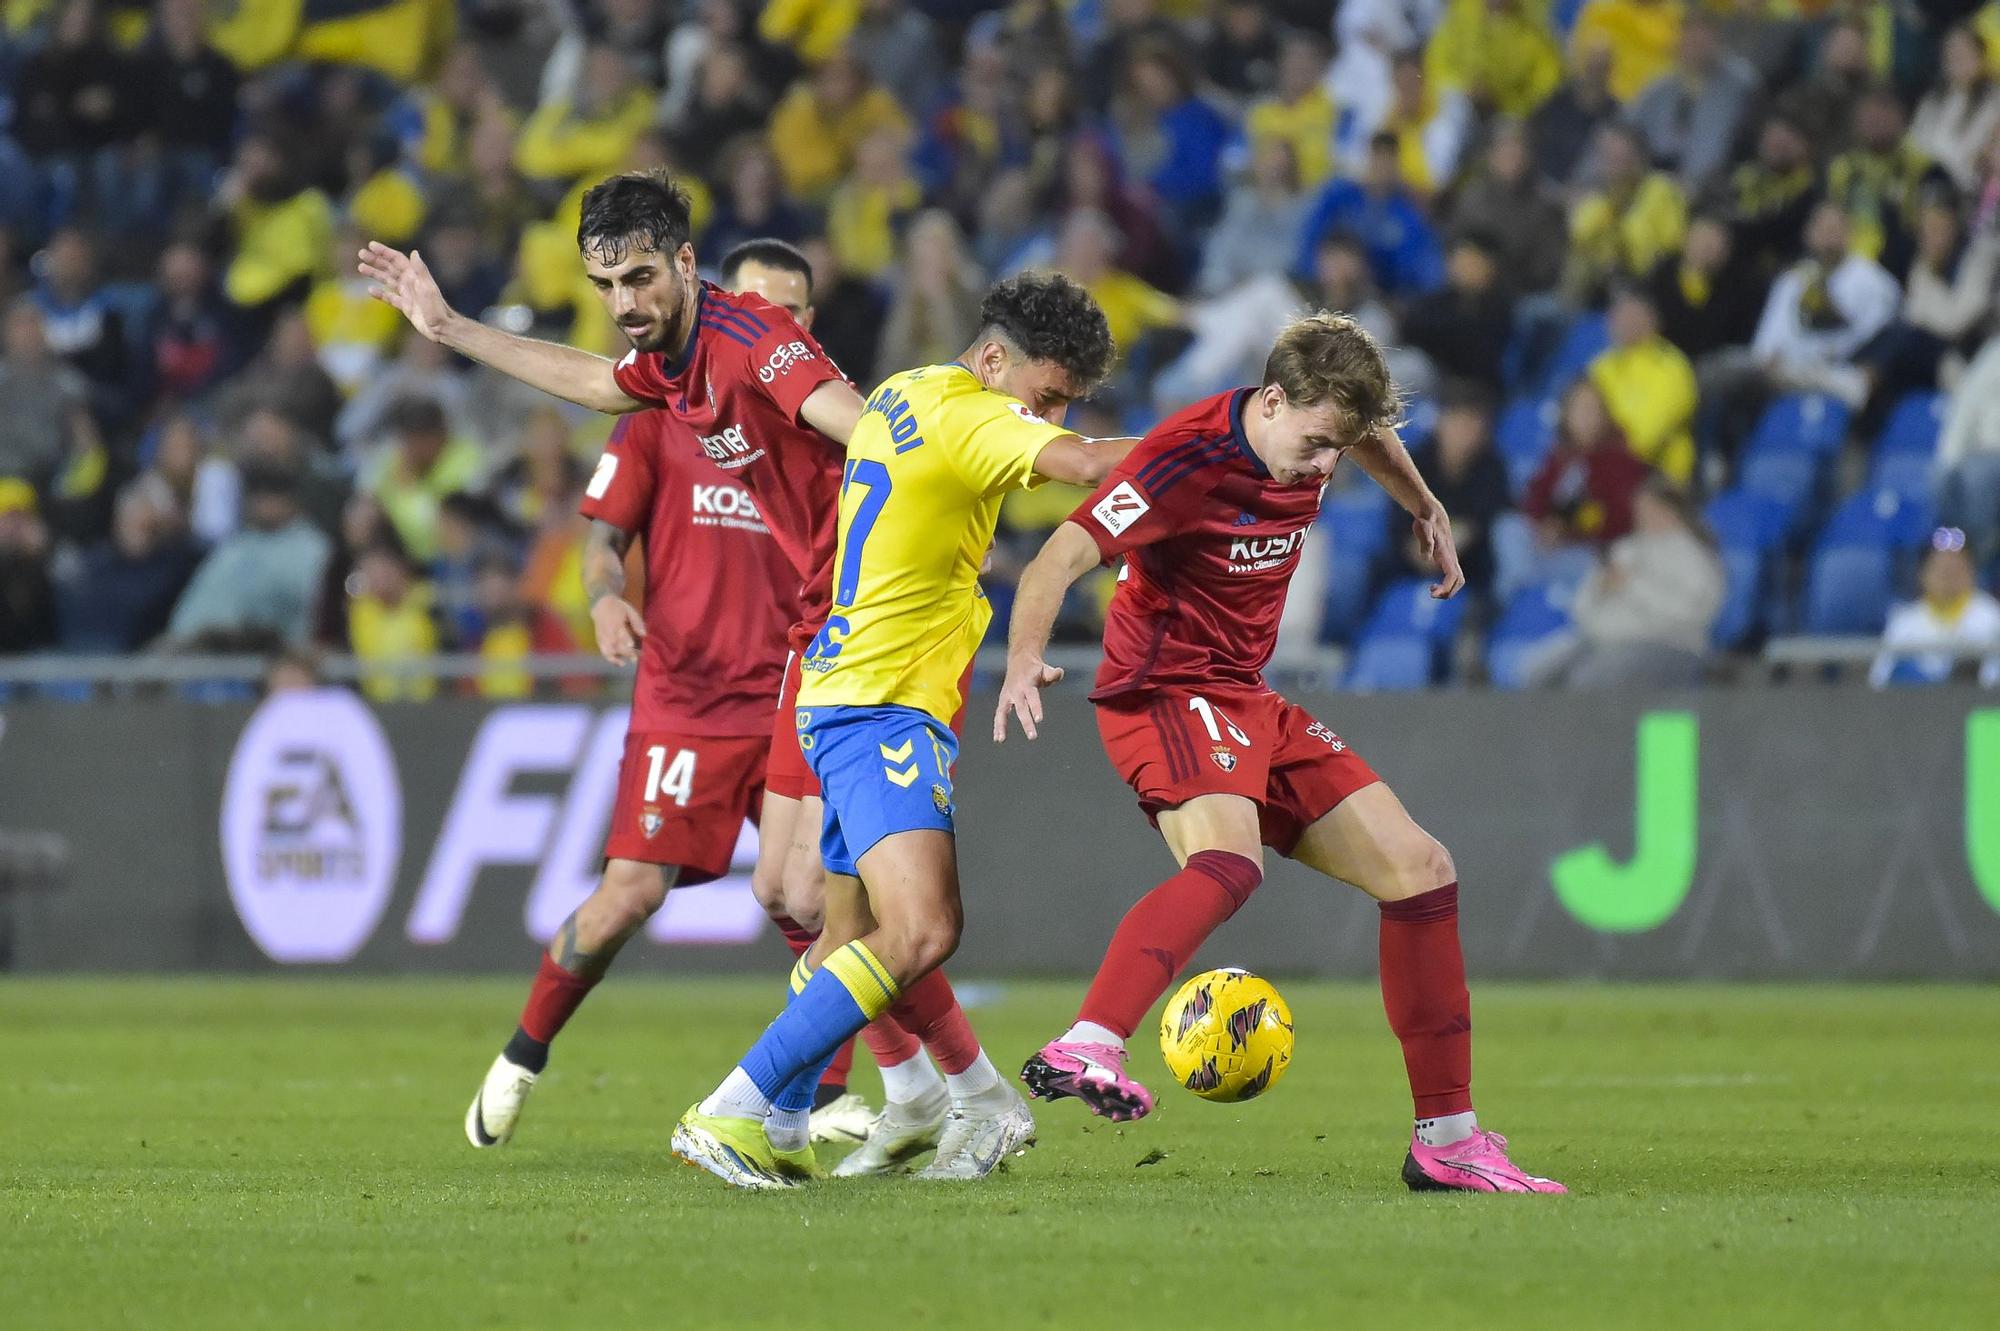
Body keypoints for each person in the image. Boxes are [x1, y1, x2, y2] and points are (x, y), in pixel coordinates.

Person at [362, 175, 1005, 1169]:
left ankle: (877, 1098)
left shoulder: (753, 342)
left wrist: (977, 462)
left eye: (638, 277)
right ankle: (932, 1090)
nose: (622, 302)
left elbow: (865, 421)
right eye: (606, 282)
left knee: (832, 896)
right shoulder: (676, 363)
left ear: (686, 264)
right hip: (814, 628)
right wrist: (446, 326)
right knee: (805, 895)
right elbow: (589, 380)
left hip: (854, 624)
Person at [995, 313, 1561, 1194]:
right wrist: (1026, 654)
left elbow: (1369, 433)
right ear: (1270, 400)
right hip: (1166, 689)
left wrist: (1426, 506)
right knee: (1229, 863)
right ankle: (1087, 1043)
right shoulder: (1184, 458)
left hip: (1245, 694)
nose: (1323, 464)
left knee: (1421, 868)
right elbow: (1059, 556)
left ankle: (1447, 1140)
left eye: (1336, 447)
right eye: (1314, 442)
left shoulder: (1326, 431)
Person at [669, 273, 1129, 1189]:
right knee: (923, 927)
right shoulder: (975, 417)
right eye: (1045, 396)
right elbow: (1085, 466)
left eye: (1063, 405)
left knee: (851, 936)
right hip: (886, 704)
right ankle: (732, 1107)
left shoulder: (905, 391)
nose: (1048, 416)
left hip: (839, 692)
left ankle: (802, 1122)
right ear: (995, 358)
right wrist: (1227, 448)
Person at [1525, 476, 1724, 689]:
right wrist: (1600, 591)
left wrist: (1632, 585)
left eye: (1650, 508)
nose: (1642, 515)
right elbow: (1582, 606)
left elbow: (1692, 614)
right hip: (1601, 640)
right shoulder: (1625, 548)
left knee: (1585, 683)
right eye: (1639, 508)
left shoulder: (1693, 556)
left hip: (1665, 644)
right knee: (1536, 675)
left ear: (1671, 510)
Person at [1869, 531, 2000, 688]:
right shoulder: (1904, 620)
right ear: (1922, 574)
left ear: (1971, 572)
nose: (1949, 576)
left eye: (1957, 568)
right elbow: (1879, 681)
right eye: (1942, 569)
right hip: (1918, 707)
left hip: (1978, 706)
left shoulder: (1991, 615)